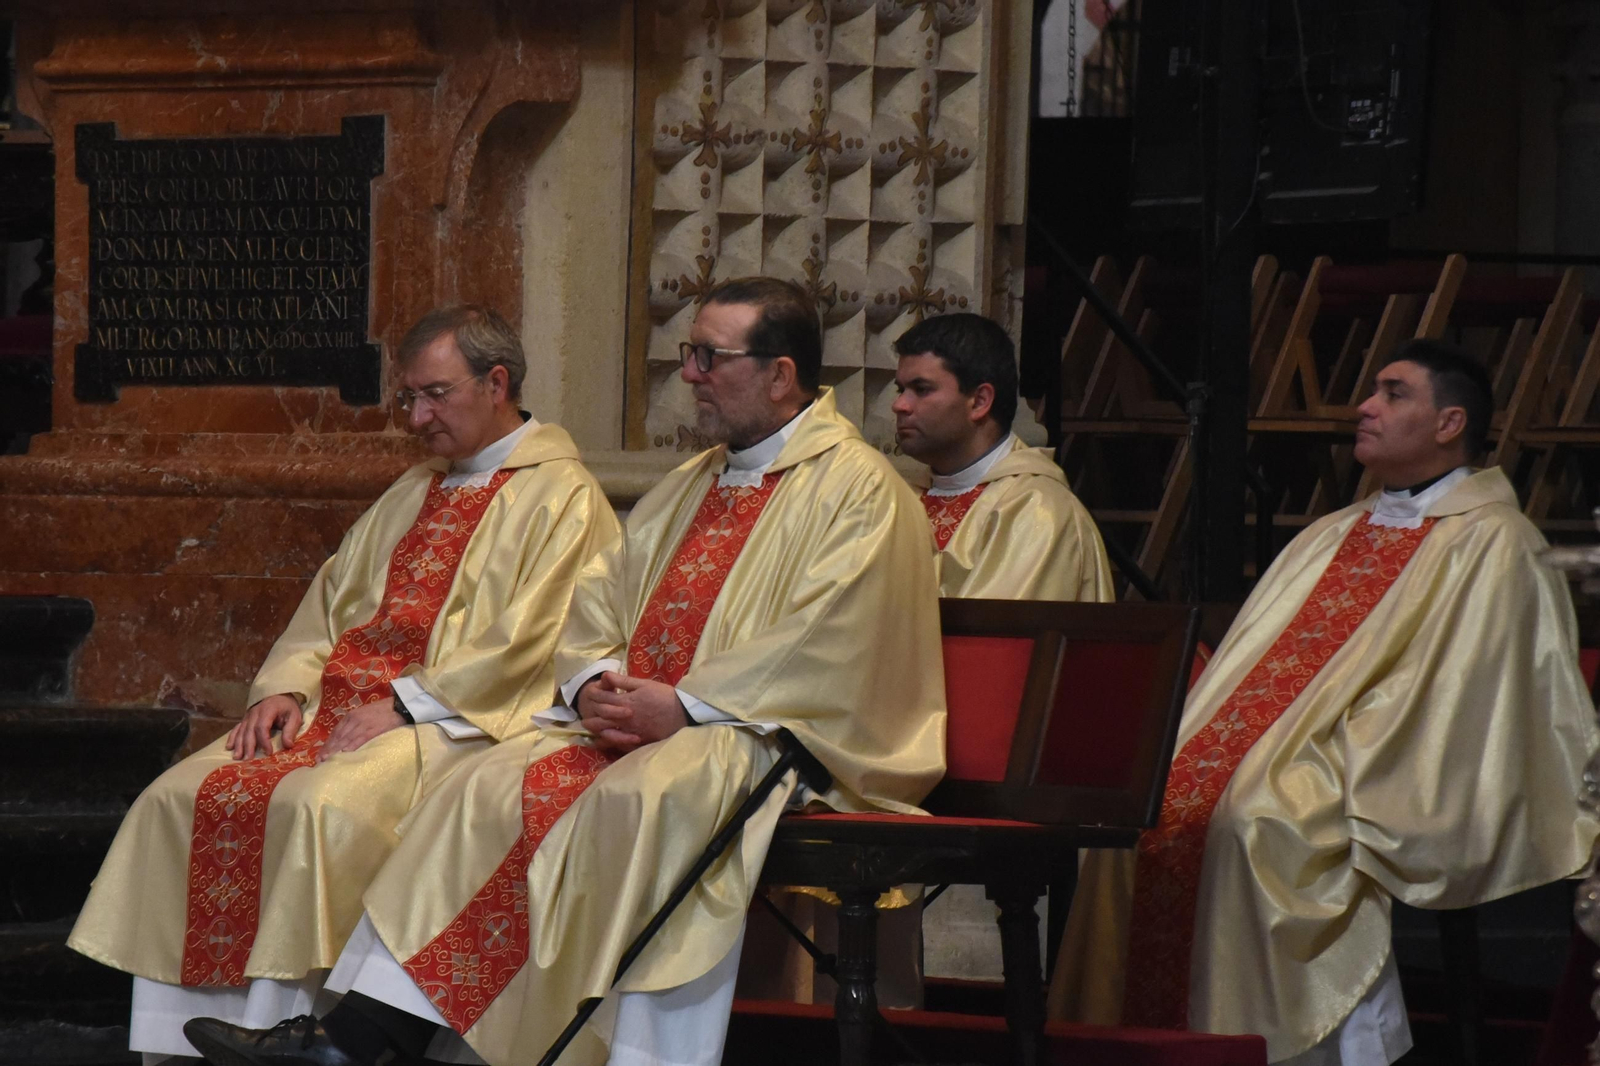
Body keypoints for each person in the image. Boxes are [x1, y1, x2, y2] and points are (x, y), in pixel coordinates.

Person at [183, 276, 947, 1066]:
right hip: (636, 723)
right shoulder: (692, 483)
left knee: (644, 798)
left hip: (762, 736)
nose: (688, 375)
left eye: (708, 358)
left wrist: (686, 708)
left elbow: (831, 642)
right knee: (482, 786)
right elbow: (598, 603)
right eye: (688, 354)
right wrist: (590, 685)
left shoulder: (863, 493)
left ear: (780, 374)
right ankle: (363, 1039)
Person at [68, 306, 621, 1062]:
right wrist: (286, 689)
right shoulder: (411, 490)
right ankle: (177, 1048)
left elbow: (534, 639)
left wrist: (405, 704)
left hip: (455, 722)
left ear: (497, 384)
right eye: (407, 399)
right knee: (183, 793)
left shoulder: (565, 497)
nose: (417, 418)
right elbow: (328, 603)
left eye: (434, 395)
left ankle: (299, 1037)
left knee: (318, 805)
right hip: (343, 705)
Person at [1049, 338, 1600, 1066]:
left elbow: (1470, 694)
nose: (1365, 408)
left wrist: (1332, 755)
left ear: (1449, 423)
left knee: (1259, 821)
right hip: (1282, 751)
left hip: (1387, 763)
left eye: (1393, 393)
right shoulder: (1333, 532)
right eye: (1371, 390)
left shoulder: (1497, 543)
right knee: (1143, 806)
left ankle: (1295, 1049)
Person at [892, 311, 1113, 601]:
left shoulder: (1038, 511)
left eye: (921, 389)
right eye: (901, 389)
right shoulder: (899, 495)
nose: (899, 405)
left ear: (980, 401)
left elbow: (995, 641)